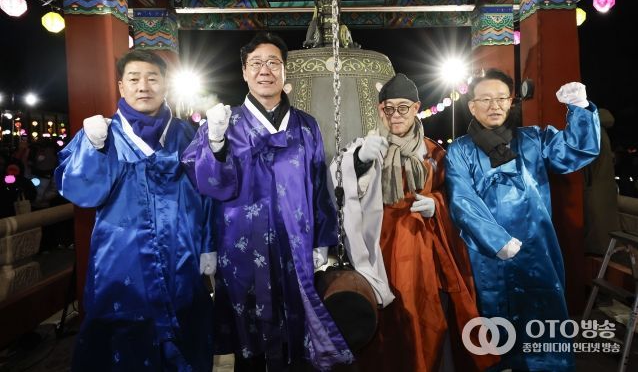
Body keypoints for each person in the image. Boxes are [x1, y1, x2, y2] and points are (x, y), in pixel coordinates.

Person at [182, 32, 352, 371]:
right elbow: (205, 186)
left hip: (295, 243)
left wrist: (322, 239)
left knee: (295, 327)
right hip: (239, 245)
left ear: (285, 71)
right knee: (248, 334)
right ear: (244, 72)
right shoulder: (223, 123)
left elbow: (319, 184)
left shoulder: (306, 126)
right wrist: (215, 144)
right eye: (256, 63)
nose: (265, 70)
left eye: (274, 63)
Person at [55, 50, 216, 371]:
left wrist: (208, 245)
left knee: (185, 335)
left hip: (181, 259)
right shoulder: (102, 134)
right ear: (121, 86)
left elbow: (208, 193)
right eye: (134, 79)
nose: (143, 86)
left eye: (152, 78)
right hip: (121, 262)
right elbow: (79, 191)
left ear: (165, 84)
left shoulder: (186, 134)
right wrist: (93, 149)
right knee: (122, 344)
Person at [335, 73, 497, 372]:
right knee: (383, 325)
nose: (395, 115)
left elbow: (459, 198)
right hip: (376, 248)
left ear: (416, 108)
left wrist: (437, 204)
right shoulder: (367, 146)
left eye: (403, 108)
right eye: (388, 108)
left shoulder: (434, 153)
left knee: (425, 319)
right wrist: (358, 159)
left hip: (422, 251)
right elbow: (337, 183)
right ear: (380, 109)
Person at [445, 68, 600, 371]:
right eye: (485, 99)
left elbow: (575, 151)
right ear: (472, 106)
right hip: (488, 254)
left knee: (544, 314)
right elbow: (462, 201)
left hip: (536, 248)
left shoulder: (534, 139)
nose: (494, 105)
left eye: (501, 98)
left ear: (511, 102)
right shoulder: (460, 150)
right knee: (493, 318)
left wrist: (580, 109)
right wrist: (497, 241)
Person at [584, 108, 620, 255]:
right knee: (606, 223)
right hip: (606, 185)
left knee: (596, 226)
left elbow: (586, 165)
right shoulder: (602, 131)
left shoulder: (589, 131)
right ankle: (608, 250)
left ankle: (597, 251)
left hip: (595, 186)